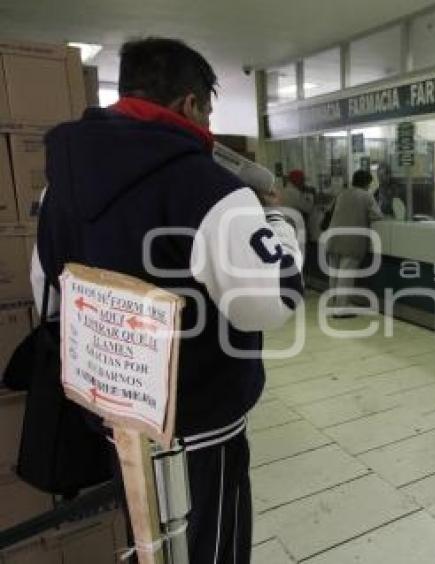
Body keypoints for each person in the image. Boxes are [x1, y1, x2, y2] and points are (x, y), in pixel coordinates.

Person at [32, 38, 303, 563]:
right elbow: (272, 300)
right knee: (209, 543)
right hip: (198, 420)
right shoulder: (209, 187)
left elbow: (46, 281)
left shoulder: (58, 182)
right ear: (190, 104)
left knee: (145, 535)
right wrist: (276, 222)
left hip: (112, 407)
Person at [325, 169, 383, 317]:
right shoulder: (366, 196)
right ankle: (341, 310)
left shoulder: (343, 193)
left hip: (334, 237)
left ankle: (333, 304)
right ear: (367, 183)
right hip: (351, 241)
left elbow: (329, 210)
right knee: (345, 275)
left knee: (334, 274)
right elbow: (377, 215)